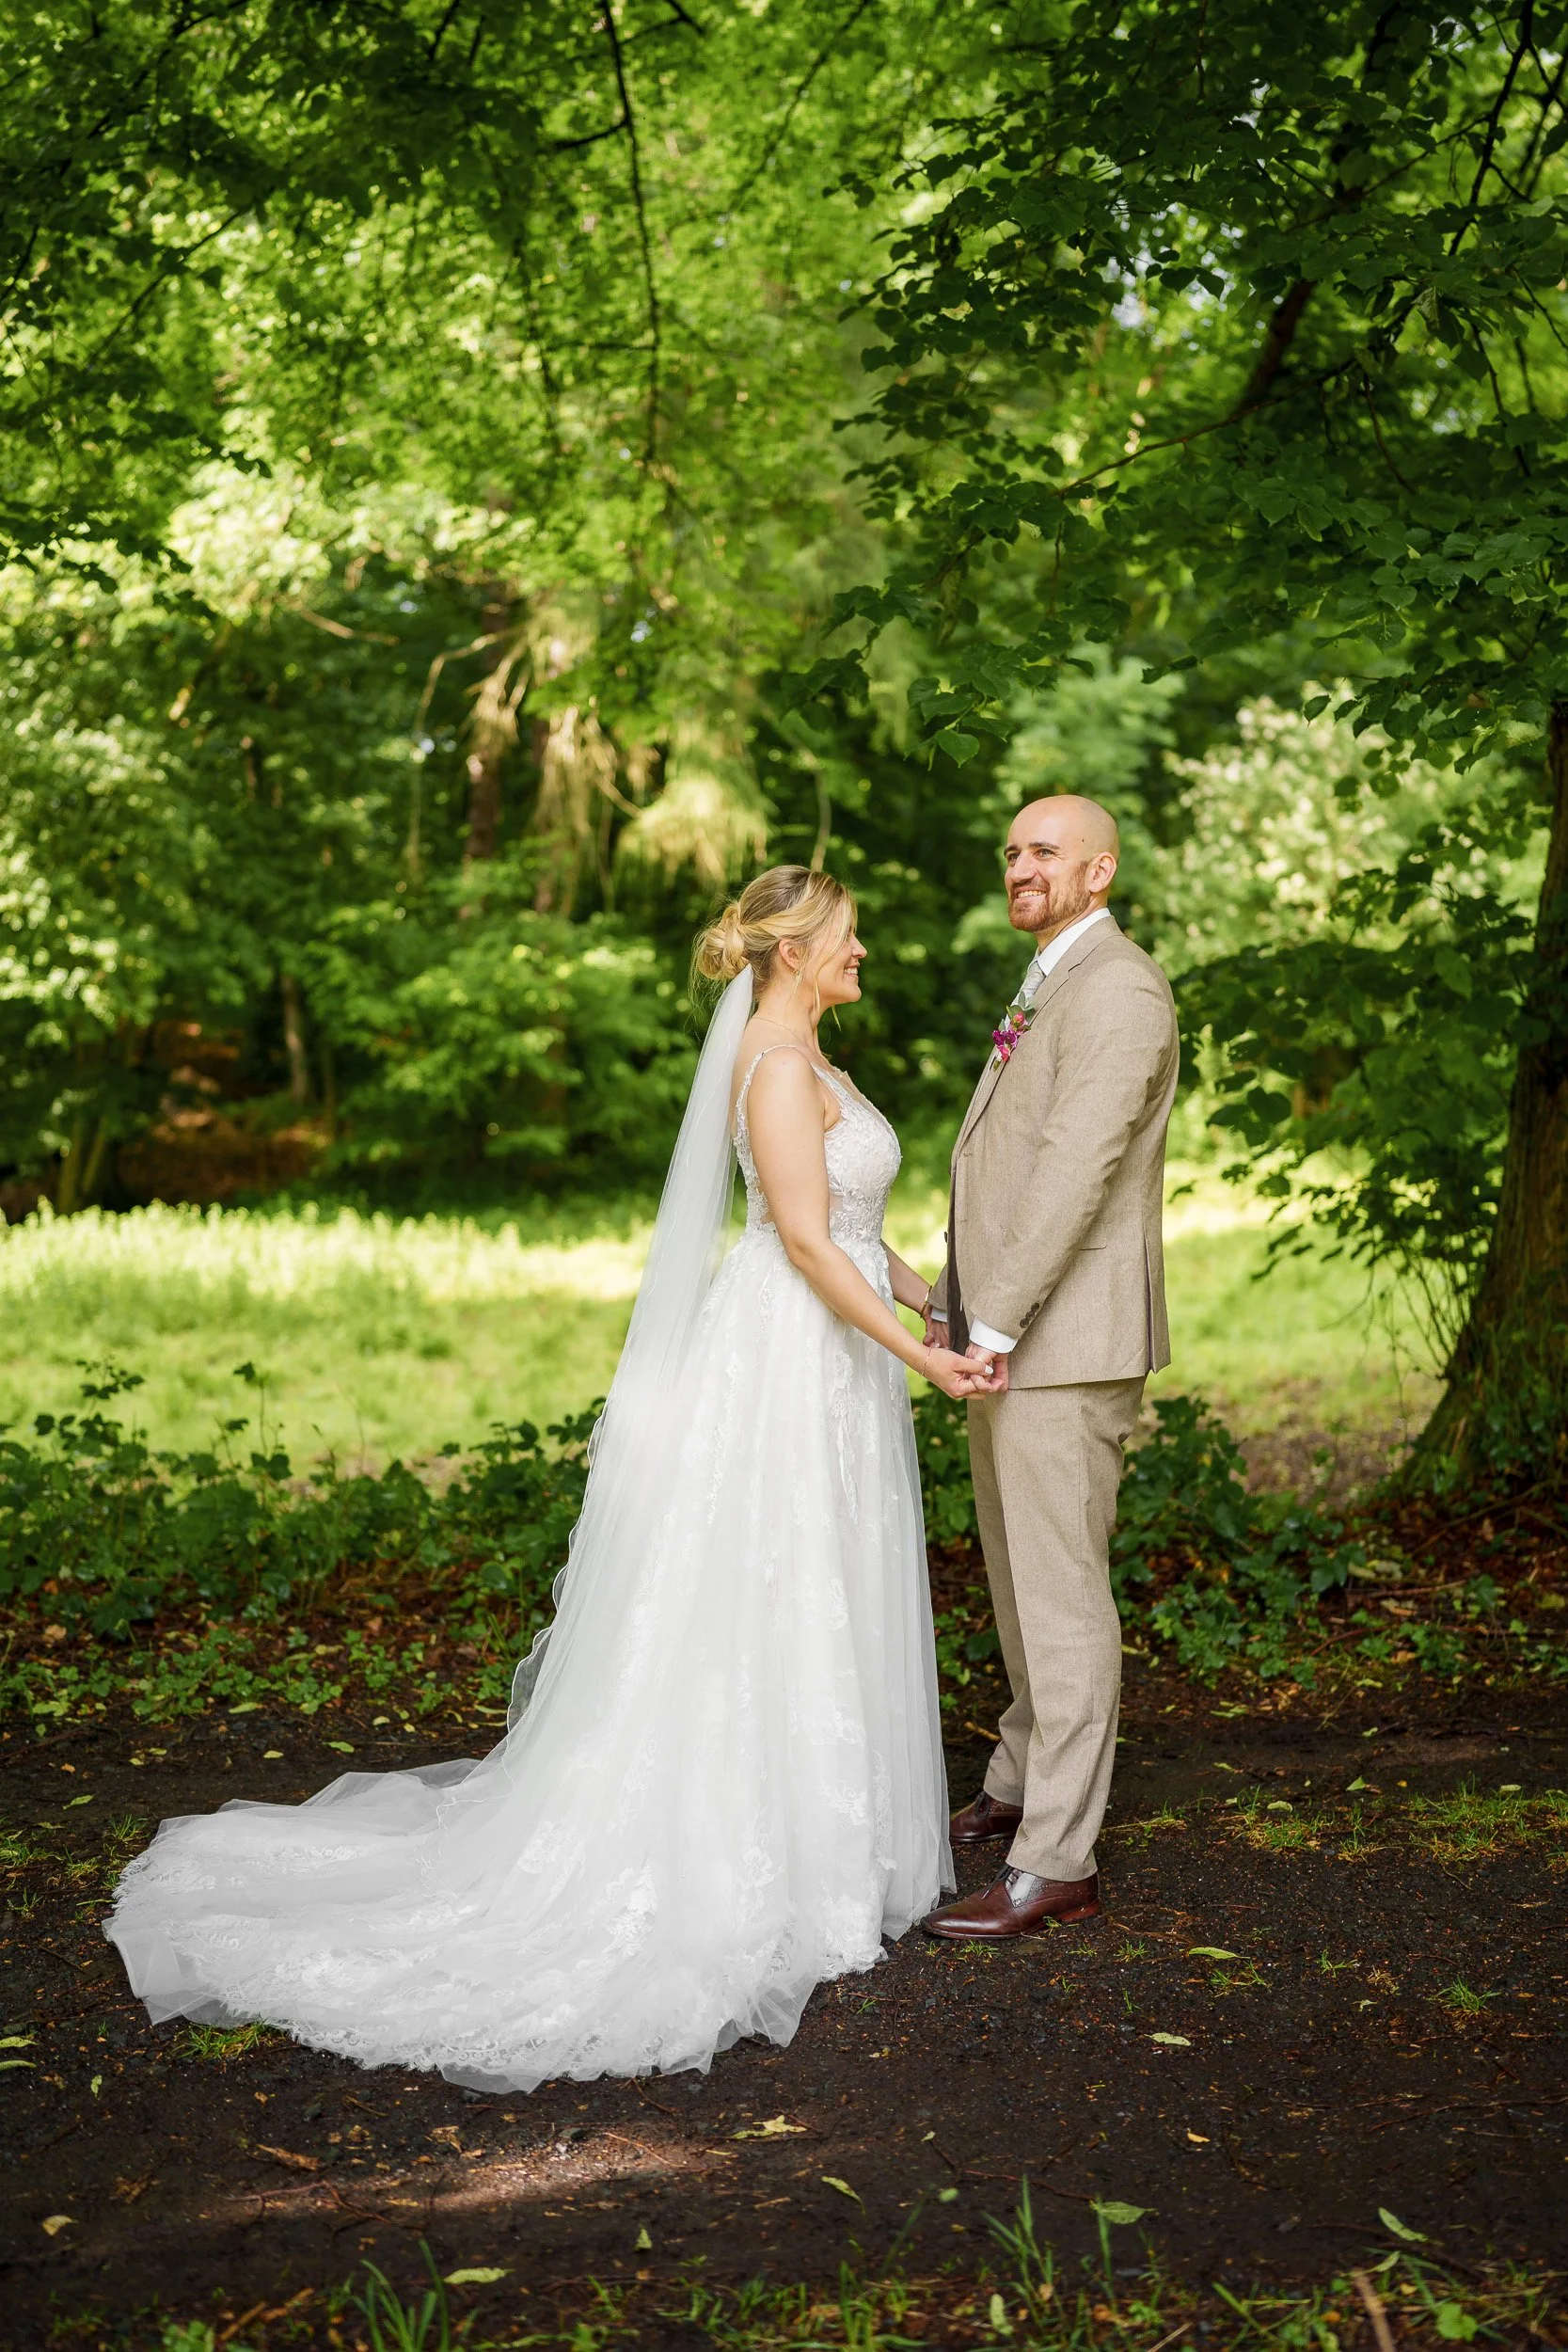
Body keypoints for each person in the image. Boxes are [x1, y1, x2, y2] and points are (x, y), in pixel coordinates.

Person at [105, 866, 981, 2091]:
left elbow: (848, 1225)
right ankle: (748, 1856)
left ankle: (819, 1844)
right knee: (766, 1584)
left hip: (837, 1356)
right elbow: (794, 1239)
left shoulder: (817, 1062)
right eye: (847, 937)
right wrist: (915, 1357)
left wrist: (930, 1300)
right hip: (790, 1358)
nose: (864, 952)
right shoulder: (778, 1071)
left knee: (823, 1575)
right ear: (791, 952)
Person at [921, 796, 1179, 1941]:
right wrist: (958, 1305)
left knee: (1062, 1597)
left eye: (1042, 852)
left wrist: (996, 1321)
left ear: (1101, 869)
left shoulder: (1119, 987)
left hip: (1059, 1342)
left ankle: (1056, 1859)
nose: (1018, 865)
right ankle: (1019, 1777)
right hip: (1012, 1329)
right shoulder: (1052, 976)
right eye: (1010, 850)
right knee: (1018, 1576)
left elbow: (1074, 1172)